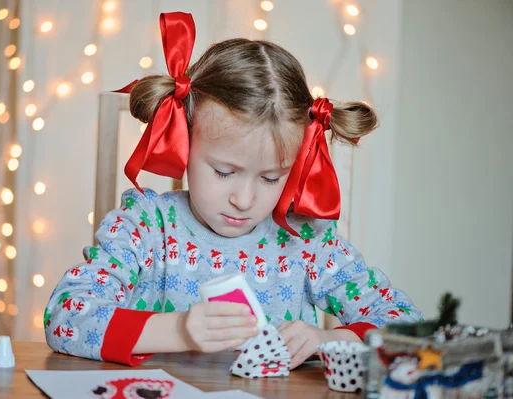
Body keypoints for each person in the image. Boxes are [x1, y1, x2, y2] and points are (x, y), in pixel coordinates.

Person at [44, 12, 422, 369]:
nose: (244, 200)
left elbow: (409, 328)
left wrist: (328, 340)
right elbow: (66, 315)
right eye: (224, 172)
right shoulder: (145, 227)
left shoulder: (307, 242)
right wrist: (177, 330)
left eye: (271, 178)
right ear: (184, 143)